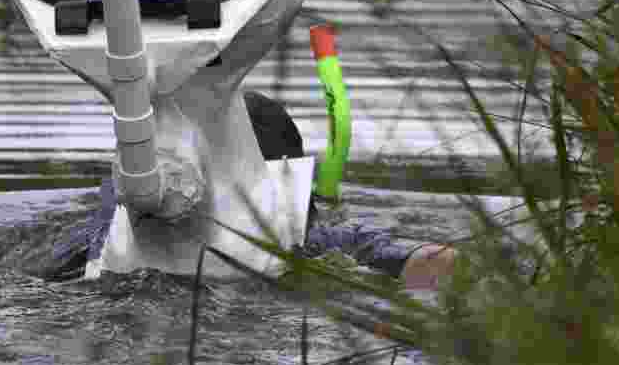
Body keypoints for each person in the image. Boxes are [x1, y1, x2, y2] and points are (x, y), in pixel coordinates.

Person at [38, 91, 458, 289]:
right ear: (289, 175)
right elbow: (427, 263)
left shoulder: (109, 232)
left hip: (123, 300)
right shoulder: (317, 239)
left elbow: (46, 279)